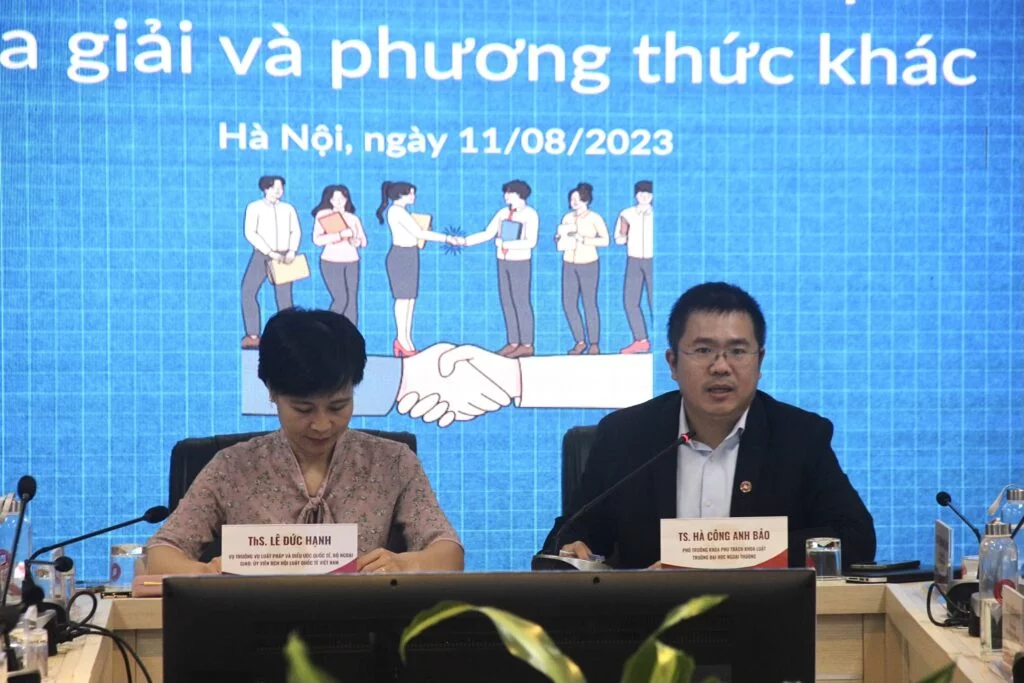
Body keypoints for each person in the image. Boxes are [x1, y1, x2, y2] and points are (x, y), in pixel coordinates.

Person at [545, 282, 875, 569]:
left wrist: (731, 559)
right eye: (703, 350)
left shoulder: (799, 437)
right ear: (672, 363)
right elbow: (567, 539)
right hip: (651, 617)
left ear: (760, 361)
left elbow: (855, 538)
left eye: (737, 351)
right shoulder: (624, 437)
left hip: (764, 615)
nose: (720, 367)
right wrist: (572, 549)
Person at [146, 308, 464, 574]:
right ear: (272, 393)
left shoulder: (392, 462)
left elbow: (448, 553)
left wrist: (407, 564)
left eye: (338, 406)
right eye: (303, 409)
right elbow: (160, 553)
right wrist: (206, 574)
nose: (322, 424)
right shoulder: (232, 467)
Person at [376, 181, 455, 357]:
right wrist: (447, 238)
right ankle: (401, 339)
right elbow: (418, 233)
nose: (414, 197)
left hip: (411, 254)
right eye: (410, 193)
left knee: (410, 299)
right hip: (401, 256)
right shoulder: (396, 211)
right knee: (403, 299)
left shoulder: (402, 212)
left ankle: (406, 339)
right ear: (400, 195)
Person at [462, 180, 539, 358]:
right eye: (506, 193)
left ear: (520, 195)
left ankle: (527, 344)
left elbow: (531, 242)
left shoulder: (530, 214)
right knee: (506, 301)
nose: (506, 196)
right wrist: (465, 241)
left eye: (510, 193)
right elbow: (487, 233)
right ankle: (513, 342)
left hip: (520, 262)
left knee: (521, 302)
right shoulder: (503, 213)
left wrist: (506, 244)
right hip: (502, 261)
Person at [240, 175, 301, 350]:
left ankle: (289, 335)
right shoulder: (254, 207)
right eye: (274, 188)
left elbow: (295, 231)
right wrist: (269, 251)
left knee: (284, 297)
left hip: (284, 256)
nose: (278, 191)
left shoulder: (288, 209)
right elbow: (250, 233)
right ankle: (253, 335)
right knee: (248, 292)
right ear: (265, 188)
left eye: (281, 188)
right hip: (262, 255)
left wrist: (292, 250)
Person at [557, 182, 609, 355]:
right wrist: (559, 239)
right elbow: (562, 238)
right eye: (571, 199)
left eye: (577, 199)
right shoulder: (567, 218)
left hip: (588, 263)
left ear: (586, 200)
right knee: (569, 304)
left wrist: (584, 239)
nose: (574, 202)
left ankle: (594, 343)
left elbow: (605, 240)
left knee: (589, 303)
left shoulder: (595, 218)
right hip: (568, 263)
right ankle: (580, 341)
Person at [311, 184, 366, 326]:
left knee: (352, 300)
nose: (338, 202)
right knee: (341, 298)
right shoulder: (324, 215)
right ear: (329, 200)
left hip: (352, 261)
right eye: (334, 199)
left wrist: (356, 241)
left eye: (342, 198)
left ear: (347, 199)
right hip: (331, 261)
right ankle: (327, 329)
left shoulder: (353, 218)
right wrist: (340, 235)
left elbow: (363, 240)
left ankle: (351, 331)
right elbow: (317, 240)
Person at [614, 180, 654, 354]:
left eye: (648, 193)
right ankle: (641, 339)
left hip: (654, 261)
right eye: (641, 193)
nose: (644, 197)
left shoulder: (658, 214)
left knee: (655, 301)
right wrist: (624, 233)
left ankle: (666, 339)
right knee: (631, 301)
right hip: (634, 260)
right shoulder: (627, 214)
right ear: (635, 195)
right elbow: (618, 239)